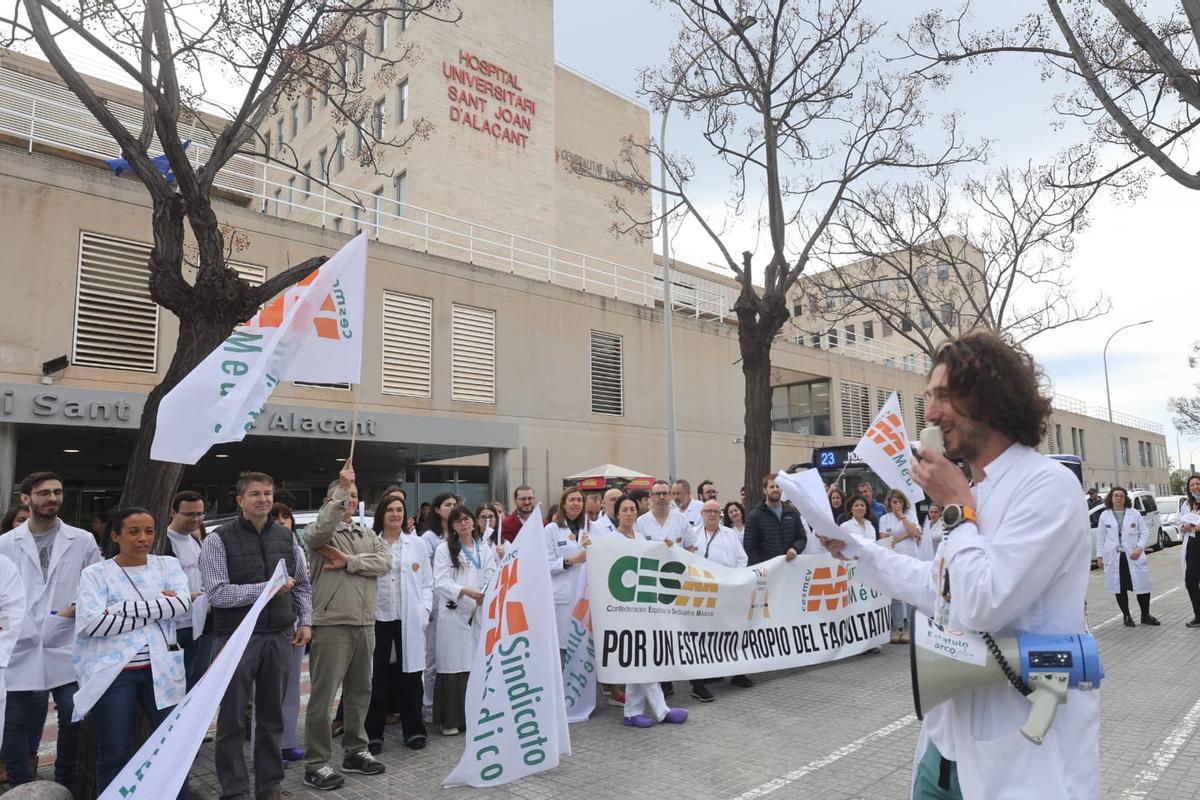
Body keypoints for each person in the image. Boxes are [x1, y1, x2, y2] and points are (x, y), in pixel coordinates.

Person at [820, 331, 1098, 799]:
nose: (928, 414)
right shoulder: (976, 492)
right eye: (927, 397)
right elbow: (939, 589)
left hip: (1020, 749)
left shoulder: (1046, 486)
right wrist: (855, 550)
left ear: (990, 398)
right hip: (945, 745)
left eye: (944, 396)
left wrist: (955, 509)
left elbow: (986, 602)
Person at [200, 471, 312, 800]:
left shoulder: (287, 537)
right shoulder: (218, 539)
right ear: (240, 500)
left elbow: (302, 584)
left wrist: (305, 620)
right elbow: (217, 593)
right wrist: (267, 589)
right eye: (255, 494)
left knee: (271, 718)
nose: (263, 499)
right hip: (236, 639)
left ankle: (270, 787)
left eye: (267, 493)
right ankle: (234, 791)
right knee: (232, 720)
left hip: (279, 635)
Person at [73, 507, 191, 797]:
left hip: (162, 668)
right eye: (134, 531)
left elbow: (182, 605)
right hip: (115, 674)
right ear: (115, 535)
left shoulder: (167, 566)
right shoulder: (96, 574)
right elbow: (93, 623)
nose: (143, 538)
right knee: (114, 750)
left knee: (172, 746)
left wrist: (120, 607)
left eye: (149, 531)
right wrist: (158, 606)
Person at [0, 471, 100, 788]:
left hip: (65, 638)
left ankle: (65, 779)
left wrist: (73, 609)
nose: (52, 498)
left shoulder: (82, 539)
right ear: (26, 498)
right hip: (19, 641)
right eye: (44, 493)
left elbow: (96, 584)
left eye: (57, 492)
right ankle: (21, 783)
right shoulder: (5, 544)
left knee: (72, 712)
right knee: (12, 720)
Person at [303, 463, 390, 789]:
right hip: (332, 624)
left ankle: (356, 750)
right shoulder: (318, 533)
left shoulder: (367, 534)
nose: (349, 500)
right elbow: (320, 532)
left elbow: (385, 562)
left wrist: (350, 562)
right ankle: (316, 763)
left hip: (365, 624)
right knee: (323, 699)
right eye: (343, 495)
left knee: (359, 693)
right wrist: (340, 489)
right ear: (330, 499)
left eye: (353, 495)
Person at [612, 494, 688, 728]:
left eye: (632, 509)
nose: (629, 513)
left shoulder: (642, 537)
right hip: (622, 608)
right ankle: (661, 710)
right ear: (617, 514)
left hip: (642, 605)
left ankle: (632, 712)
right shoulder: (611, 540)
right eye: (624, 510)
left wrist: (665, 549)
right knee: (642, 659)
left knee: (640, 659)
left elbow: (652, 560)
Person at [367, 494, 432, 754]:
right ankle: (372, 733)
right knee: (376, 676)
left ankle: (414, 729)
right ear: (381, 514)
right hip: (378, 617)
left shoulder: (416, 544)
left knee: (411, 676)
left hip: (409, 618)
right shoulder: (371, 543)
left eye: (399, 510)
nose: (395, 514)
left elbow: (427, 582)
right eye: (390, 510)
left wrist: (424, 610)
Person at [432, 506, 496, 736]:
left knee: (475, 663)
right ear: (452, 526)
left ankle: (474, 715)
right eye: (458, 521)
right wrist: (466, 592)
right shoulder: (444, 549)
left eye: (467, 519)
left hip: (478, 612)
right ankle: (450, 719)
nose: (464, 524)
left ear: (474, 522)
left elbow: (491, 575)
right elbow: (440, 581)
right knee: (453, 665)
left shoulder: (484, 549)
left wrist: (483, 595)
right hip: (454, 613)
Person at [691, 500, 750, 701]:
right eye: (709, 511)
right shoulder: (694, 535)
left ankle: (737, 672)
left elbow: (742, 559)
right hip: (702, 591)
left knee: (730, 631)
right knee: (702, 636)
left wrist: (735, 577)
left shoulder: (730, 534)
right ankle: (698, 682)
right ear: (701, 513)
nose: (713, 515)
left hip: (727, 590)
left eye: (717, 512)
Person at [266, 502, 307, 763]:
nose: (282, 521)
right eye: (276, 517)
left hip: (294, 624)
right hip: (268, 627)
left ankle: (288, 742)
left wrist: (306, 622)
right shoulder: (265, 544)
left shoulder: (296, 546)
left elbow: (304, 586)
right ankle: (269, 748)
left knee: (292, 689)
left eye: (286, 517)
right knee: (269, 693)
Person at [162, 490, 213, 690]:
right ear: (173, 512)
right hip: (174, 626)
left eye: (200, 514)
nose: (196, 519)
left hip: (200, 623)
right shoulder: (163, 540)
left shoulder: (195, 540)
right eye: (190, 514)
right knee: (175, 686)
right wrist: (186, 597)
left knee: (197, 681)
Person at [1096, 487, 1160, 628]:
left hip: (1133, 555)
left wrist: (1139, 548)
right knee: (1120, 587)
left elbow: (1144, 532)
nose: (1118, 498)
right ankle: (1127, 616)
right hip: (1114, 557)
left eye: (1121, 496)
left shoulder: (1134, 513)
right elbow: (1101, 537)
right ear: (1111, 499)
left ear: (1125, 499)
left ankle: (1145, 615)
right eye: (1116, 496)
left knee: (1142, 585)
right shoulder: (1105, 515)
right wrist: (1100, 557)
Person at [420, 492, 456, 715]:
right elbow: (426, 575)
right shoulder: (429, 539)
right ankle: (429, 705)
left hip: (456, 602)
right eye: (447, 504)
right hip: (435, 602)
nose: (451, 508)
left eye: (455, 504)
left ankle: (449, 704)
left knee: (451, 656)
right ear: (436, 509)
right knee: (432, 657)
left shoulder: (457, 535)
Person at [546, 487, 589, 659]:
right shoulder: (552, 529)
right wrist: (571, 561)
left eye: (579, 500)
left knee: (583, 648)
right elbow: (545, 564)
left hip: (585, 596)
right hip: (562, 597)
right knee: (562, 649)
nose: (576, 503)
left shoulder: (590, 528)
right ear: (563, 504)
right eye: (572, 499)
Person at [877, 490, 922, 644]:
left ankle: (911, 628)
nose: (896, 504)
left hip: (910, 558)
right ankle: (898, 628)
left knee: (909, 594)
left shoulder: (910, 515)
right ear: (889, 503)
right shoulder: (884, 519)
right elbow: (885, 540)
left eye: (899, 502)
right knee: (895, 595)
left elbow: (915, 533)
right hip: (892, 559)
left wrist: (902, 517)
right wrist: (905, 535)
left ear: (904, 503)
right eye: (894, 502)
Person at [743, 473, 806, 566]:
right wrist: (762, 566)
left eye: (778, 486)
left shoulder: (792, 512)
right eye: (771, 487)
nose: (775, 489)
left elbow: (802, 537)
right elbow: (749, 546)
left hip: (790, 566)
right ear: (765, 490)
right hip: (767, 570)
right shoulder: (755, 516)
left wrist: (795, 548)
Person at [1181, 475, 1200, 627]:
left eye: (1198, 484)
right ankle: (1198, 615)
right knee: (1190, 582)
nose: (1195, 487)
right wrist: (1184, 527)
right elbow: (1180, 521)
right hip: (1192, 545)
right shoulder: (1187, 504)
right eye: (1192, 485)